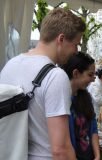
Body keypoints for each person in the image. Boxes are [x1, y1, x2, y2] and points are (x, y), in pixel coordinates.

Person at [0, 8, 85, 159]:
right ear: (61, 39)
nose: (76, 51)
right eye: (75, 44)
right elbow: (60, 150)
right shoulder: (55, 76)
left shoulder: (10, 65)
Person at [62, 52, 100, 160]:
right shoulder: (62, 101)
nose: (93, 79)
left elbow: (93, 129)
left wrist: (97, 156)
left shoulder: (86, 98)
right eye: (90, 74)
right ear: (76, 73)